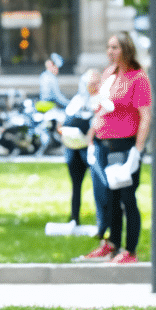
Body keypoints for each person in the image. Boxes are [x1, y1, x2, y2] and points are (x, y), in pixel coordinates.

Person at [78, 32, 151, 263]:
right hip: (103, 144)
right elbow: (100, 108)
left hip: (124, 145)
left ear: (126, 50)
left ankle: (129, 250)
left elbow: (145, 116)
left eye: (115, 48)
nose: (110, 52)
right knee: (108, 197)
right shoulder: (109, 74)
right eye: (109, 47)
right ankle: (111, 244)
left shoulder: (138, 78)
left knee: (127, 198)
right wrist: (91, 137)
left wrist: (137, 151)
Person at [50, 69, 101, 235]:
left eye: (95, 83)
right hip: (72, 148)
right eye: (89, 83)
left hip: (90, 148)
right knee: (76, 185)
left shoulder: (100, 101)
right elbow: (65, 118)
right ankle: (74, 217)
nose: (92, 86)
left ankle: (102, 220)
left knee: (98, 184)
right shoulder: (77, 100)